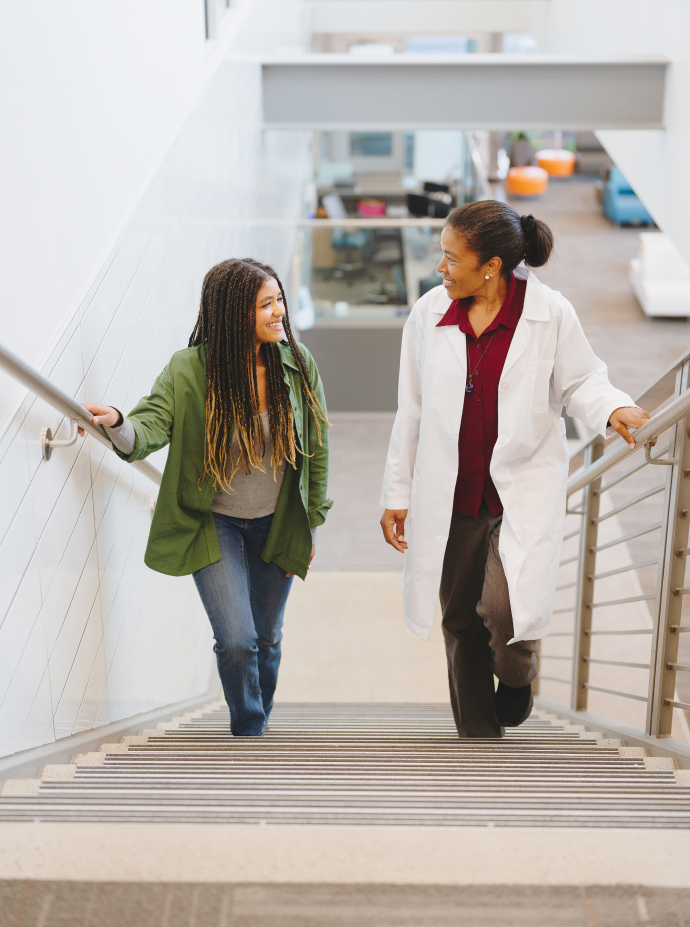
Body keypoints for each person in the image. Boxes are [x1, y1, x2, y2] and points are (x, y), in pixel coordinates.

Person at [380, 202, 650, 739]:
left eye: (451, 258)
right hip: (451, 492)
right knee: (458, 616)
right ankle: (478, 734)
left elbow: (579, 381)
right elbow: (410, 410)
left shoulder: (549, 313)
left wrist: (613, 406)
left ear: (491, 266)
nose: (441, 268)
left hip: (517, 490)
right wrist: (398, 492)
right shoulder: (429, 315)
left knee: (505, 610)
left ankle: (518, 671)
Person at [81, 258, 331, 737]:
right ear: (236, 314)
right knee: (237, 641)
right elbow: (149, 429)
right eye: (266, 304)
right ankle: (249, 730)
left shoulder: (297, 365)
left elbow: (316, 449)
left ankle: (260, 711)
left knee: (266, 636)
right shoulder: (189, 370)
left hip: (278, 522)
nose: (279, 312)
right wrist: (118, 422)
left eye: (279, 300)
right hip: (214, 523)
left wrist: (312, 522)